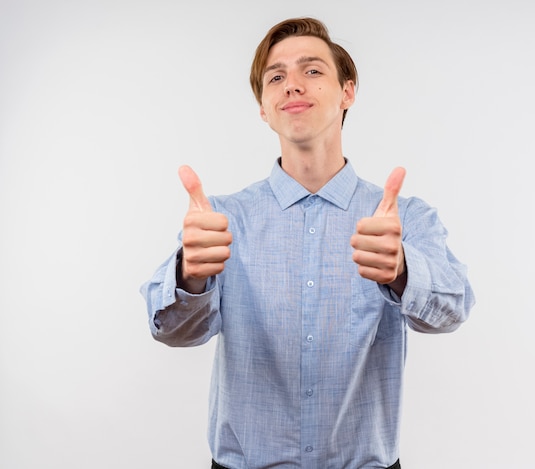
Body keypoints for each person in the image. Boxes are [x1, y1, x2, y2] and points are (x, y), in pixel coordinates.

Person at [141, 17, 474, 469]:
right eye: (276, 77)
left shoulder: (403, 218)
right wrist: (189, 276)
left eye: (312, 70)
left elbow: (454, 309)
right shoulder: (219, 221)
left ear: (348, 92)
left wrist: (401, 270)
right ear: (263, 106)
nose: (292, 85)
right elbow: (174, 331)